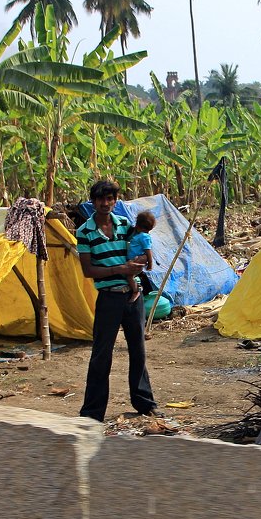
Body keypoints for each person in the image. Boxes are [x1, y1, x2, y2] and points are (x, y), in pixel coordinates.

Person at [75, 180, 160, 422]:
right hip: (109, 298)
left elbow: (141, 251)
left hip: (133, 296)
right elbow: (88, 270)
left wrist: (140, 262)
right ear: (93, 201)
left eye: (110, 199)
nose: (105, 203)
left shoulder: (125, 225)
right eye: (101, 199)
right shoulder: (85, 232)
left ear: (115, 200)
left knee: (139, 351)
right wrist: (121, 269)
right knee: (102, 354)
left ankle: (145, 402)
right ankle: (92, 411)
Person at [125, 211, 156, 303]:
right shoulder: (138, 235)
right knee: (131, 276)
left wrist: (150, 263)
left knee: (129, 276)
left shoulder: (144, 237)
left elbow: (148, 251)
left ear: (138, 225)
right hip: (133, 260)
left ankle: (136, 290)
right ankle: (136, 287)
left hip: (137, 261)